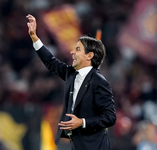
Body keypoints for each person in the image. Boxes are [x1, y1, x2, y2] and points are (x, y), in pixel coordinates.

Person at [26, 14, 116, 150]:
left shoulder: (99, 83)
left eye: (78, 49)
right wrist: (35, 38)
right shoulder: (71, 74)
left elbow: (110, 117)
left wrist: (82, 122)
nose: (72, 52)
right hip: (76, 144)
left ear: (89, 56)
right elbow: (51, 61)